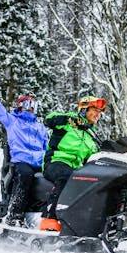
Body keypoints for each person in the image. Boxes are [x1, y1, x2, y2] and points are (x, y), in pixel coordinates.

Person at [0, 68, 48, 227]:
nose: (30, 108)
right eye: (27, 104)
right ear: (20, 106)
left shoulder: (41, 127)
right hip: (22, 161)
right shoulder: (12, 121)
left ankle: (47, 214)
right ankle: (14, 214)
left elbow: (48, 147)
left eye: (33, 105)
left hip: (41, 163)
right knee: (25, 175)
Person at [40, 96, 107, 231]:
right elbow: (48, 119)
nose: (98, 115)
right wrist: (67, 119)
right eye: (95, 110)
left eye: (99, 112)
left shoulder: (90, 136)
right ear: (84, 109)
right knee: (67, 177)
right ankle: (50, 219)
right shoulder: (68, 121)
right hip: (55, 161)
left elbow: (93, 157)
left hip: (75, 168)